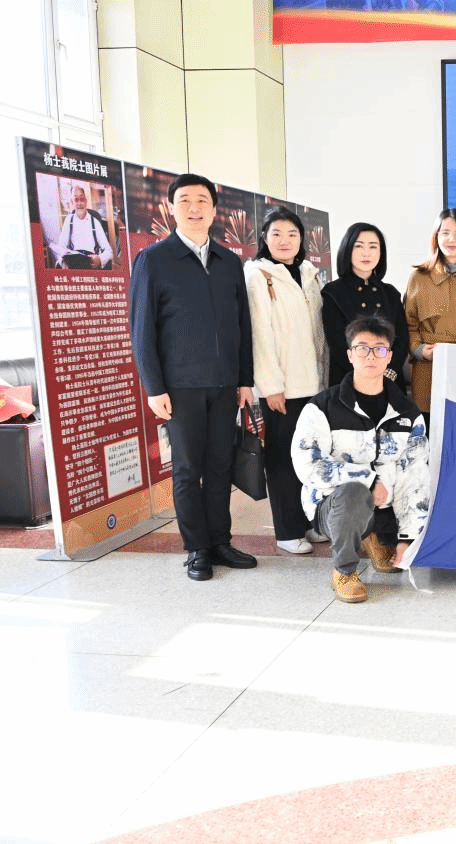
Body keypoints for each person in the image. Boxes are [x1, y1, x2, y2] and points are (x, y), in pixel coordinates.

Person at [129, 173, 256, 582]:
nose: (194, 207)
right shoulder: (154, 260)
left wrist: (245, 379)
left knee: (220, 466)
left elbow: (242, 325)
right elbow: (141, 331)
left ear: (215, 210)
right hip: (179, 388)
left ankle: (220, 541)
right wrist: (154, 387)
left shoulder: (229, 262)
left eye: (202, 200)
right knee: (187, 469)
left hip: (225, 384)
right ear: (171, 208)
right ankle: (196, 548)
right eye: (184, 200)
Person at [292, 314, 431, 604]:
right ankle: (344, 571)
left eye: (379, 349)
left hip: (384, 508)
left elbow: (415, 477)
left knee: (416, 480)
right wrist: (368, 479)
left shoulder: (408, 414)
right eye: (362, 348)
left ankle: (376, 537)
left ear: (389, 357)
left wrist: (407, 538)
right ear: (350, 355)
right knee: (355, 492)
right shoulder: (322, 407)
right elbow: (308, 464)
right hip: (332, 507)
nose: (370, 355)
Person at [243, 206, 328, 556]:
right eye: (276, 233)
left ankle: (308, 521)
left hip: (313, 384)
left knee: (308, 457)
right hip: (283, 387)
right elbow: (259, 335)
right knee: (281, 460)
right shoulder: (258, 275)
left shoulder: (308, 273)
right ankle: (287, 530)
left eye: (292, 234)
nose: (284, 240)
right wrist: (270, 386)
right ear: (264, 238)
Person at [404, 208, 456, 429]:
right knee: (428, 431)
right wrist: (419, 350)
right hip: (428, 369)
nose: (452, 239)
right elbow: (408, 324)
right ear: (436, 237)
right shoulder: (418, 277)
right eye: (445, 233)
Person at [323, 223, 409, 387]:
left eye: (373, 246)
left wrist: (387, 375)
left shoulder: (391, 293)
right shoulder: (333, 292)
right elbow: (337, 344)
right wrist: (367, 377)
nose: (366, 253)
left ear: (381, 252)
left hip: (389, 382)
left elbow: (401, 340)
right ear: (348, 249)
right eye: (359, 246)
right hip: (348, 382)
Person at [52, 185, 113, 269]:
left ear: (86, 201)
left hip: (90, 265)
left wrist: (99, 259)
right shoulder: (69, 220)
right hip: (73, 264)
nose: (79, 203)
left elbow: (109, 252)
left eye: (82, 199)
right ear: (72, 203)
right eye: (76, 199)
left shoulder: (95, 222)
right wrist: (62, 261)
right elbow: (61, 247)